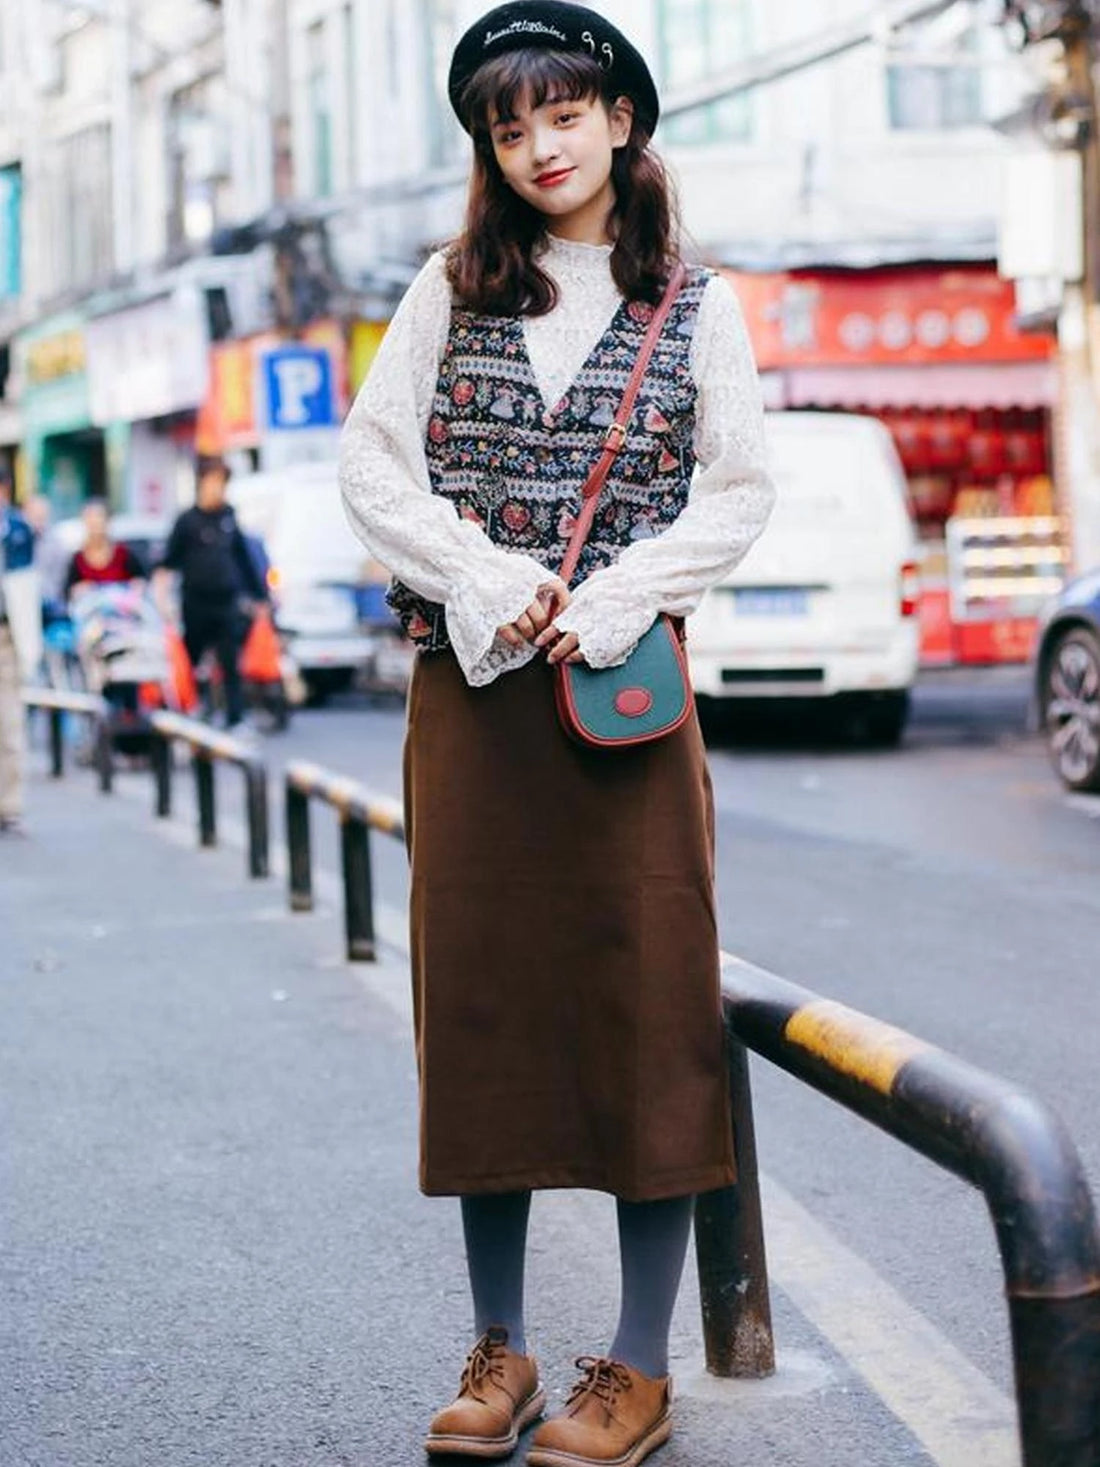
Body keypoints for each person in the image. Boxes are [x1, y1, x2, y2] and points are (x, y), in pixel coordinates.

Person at [338, 6, 775, 1464]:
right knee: (482, 1013)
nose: (539, 147)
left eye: (563, 114)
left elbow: (737, 488)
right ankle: (502, 1348)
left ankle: (637, 1363)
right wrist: (483, 575)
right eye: (509, 126)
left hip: (622, 710)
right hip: (470, 706)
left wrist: (619, 593)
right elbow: (371, 464)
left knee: (649, 1010)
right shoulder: (446, 289)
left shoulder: (696, 306)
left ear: (620, 120)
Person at [154, 454, 267, 729]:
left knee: (230, 662)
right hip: (195, 602)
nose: (217, 489)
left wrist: (261, 597)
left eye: (221, 483)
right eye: (212, 482)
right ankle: (194, 709)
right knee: (191, 660)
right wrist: (162, 600)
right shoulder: (186, 521)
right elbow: (167, 563)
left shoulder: (228, 517)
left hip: (226, 601)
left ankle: (235, 718)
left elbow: (243, 559)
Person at [0, 478, 43, 835]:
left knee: (10, 724)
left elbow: (27, 588)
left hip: (6, 637)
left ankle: (9, 806)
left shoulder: (17, 530)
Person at [64, 499, 146, 600]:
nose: (95, 523)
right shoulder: (77, 560)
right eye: (90, 518)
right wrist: (78, 591)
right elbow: (68, 592)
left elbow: (141, 582)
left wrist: (135, 589)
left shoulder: (124, 555)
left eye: (99, 517)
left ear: (108, 521)